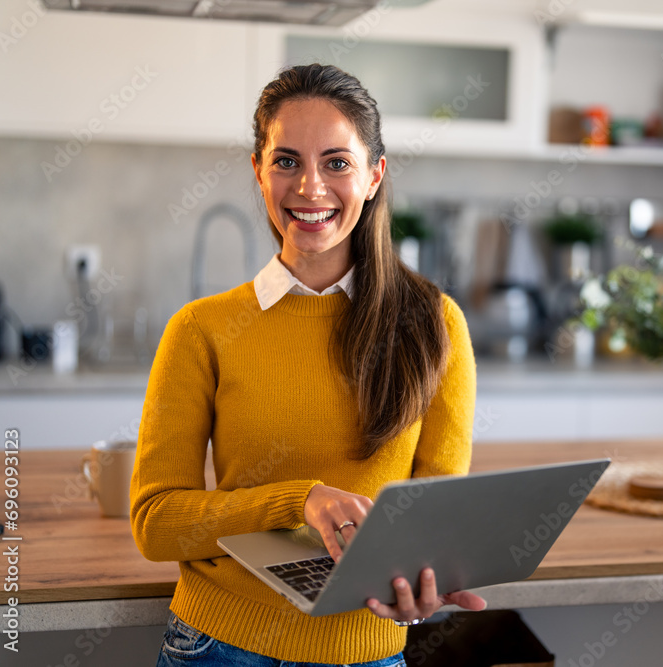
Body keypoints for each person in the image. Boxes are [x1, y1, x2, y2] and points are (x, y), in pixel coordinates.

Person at [130, 63, 485, 667]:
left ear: (374, 176)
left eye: (337, 163)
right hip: (219, 646)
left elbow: (433, 515)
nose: (310, 188)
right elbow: (156, 522)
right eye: (287, 160)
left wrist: (421, 583)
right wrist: (299, 500)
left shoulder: (435, 324)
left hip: (367, 652)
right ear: (258, 172)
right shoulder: (200, 330)